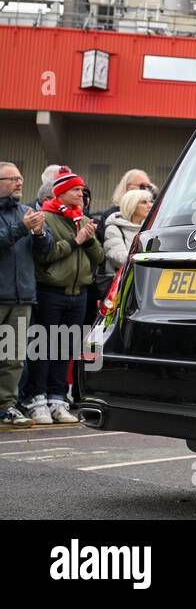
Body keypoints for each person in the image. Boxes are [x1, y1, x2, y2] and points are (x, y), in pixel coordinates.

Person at [24, 167, 103, 425]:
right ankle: (37, 399)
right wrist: (77, 240)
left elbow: (99, 257)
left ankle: (58, 398)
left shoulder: (81, 217)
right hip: (51, 291)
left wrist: (89, 239)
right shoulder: (46, 216)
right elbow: (46, 254)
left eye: (82, 189)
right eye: (76, 190)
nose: (82, 194)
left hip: (78, 293)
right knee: (44, 347)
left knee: (65, 348)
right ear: (61, 192)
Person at [0, 163, 52, 427]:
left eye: (21, 178)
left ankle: (6, 406)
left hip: (22, 298)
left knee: (13, 357)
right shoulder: (24, 217)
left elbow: (45, 250)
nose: (19, 183)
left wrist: (41, 233)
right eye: (13, 179)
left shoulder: (27, 212)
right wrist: (22, 227)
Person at [96, 169, 155, 242]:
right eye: (142, 186)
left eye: (149, 187)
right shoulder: (111, 216)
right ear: (128, 187)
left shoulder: (153, 215)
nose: (146, 190)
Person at [102, 188, 152, 271]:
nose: (150, 205)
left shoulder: (149, 228)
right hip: (121, 280)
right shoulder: (114, 228)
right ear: (132, 205)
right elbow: (118, 258)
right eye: (144, 202)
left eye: (150, 201)